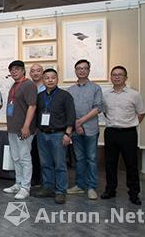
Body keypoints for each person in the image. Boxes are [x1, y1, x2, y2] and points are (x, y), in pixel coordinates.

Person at [101, 66, 145, 205]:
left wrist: (130, 124)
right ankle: (110, 190)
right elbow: (104, 112)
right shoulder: (106, 94)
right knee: (110, 163)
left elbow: (141, 113)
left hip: (128, 133)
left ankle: (134, 193)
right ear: (111, 77)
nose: (117, 77)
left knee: (131, 164)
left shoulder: (134, 94)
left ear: (126, 78)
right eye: (114, 74)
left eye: (120, 75)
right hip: (111, 132)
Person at [33, 69, 75, 204]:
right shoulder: (40, 96)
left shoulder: (65, 95)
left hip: (58, 134)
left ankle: (61, 191)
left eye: (53, 78)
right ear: (43, 80)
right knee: (45, 163)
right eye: (47, 78)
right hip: (42, 134)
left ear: (57, 79)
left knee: (60, 164)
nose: (50, 80)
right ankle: (48, 187)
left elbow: (71, 116)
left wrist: (68, 134)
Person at [66, 59, 103, 200]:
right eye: (79, 68)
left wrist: (80, 122)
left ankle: (91, 187)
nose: (82, 70)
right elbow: (69, 110)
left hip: (91, 129)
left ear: (89, 70)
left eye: (85, 68)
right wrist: (76, 125)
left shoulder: (95, 88)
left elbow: (98, 108)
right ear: (75, 71)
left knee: (92, 159)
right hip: (76, 129)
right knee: (79, 159)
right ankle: (80, 186)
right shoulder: (70, 90)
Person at [3, 60, 37, 200]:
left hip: (24, 129)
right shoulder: (14, 85)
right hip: (13, 128)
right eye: (12, 70)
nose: (14, 71)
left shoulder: (29, 84)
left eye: (17, 69)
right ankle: (18, 183)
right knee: (16, 157)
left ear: (23, 70)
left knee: (24, 158)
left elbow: (32, 106)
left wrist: (26, 126)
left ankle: (25, 187)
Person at [29, 63, 46, 186]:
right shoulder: (28, 87)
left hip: (44, 127)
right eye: (33, 71)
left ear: (42, 73)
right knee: (33, 153)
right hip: (30, 127)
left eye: (38, 71)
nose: (35, 73)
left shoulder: (47, 88)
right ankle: (35, 178)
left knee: (45, 155)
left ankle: (46, 180)